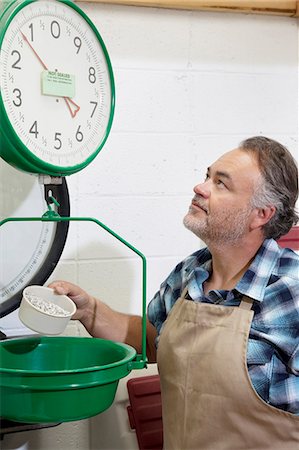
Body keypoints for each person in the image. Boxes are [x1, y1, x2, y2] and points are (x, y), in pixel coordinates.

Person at [50, 136, 299, 449]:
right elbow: (151, 339)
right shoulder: (189, 274)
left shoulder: (291, 291)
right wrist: (91, 311)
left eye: (221, 183)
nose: (201, 187)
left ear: (261, 214)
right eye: (208, 175)